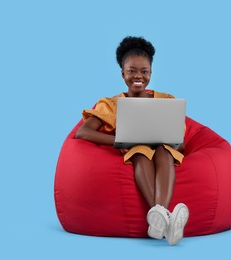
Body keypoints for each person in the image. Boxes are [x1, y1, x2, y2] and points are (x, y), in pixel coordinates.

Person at [75, 36, 189, 245]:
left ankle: (160, 219)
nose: (138, 76)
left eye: (144, 71)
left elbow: (180, 142)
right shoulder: (112, 104)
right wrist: (122, 142)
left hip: (163, 150)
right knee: (139, 150)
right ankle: (168, 220)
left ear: (151, 72)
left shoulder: (166, 101)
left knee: (164, 150)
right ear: (123, 73)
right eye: (132, 70)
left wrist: (167, 139)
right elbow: (82, 133)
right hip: (134, 150)